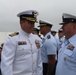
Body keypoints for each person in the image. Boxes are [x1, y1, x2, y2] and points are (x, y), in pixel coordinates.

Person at [1, 10, 43, 75]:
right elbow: (6, 64)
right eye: (30, 22)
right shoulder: (12, 39)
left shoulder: (36, 38)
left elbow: (39, 62)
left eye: (33, 23)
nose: (33, 25)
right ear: (21, 22)